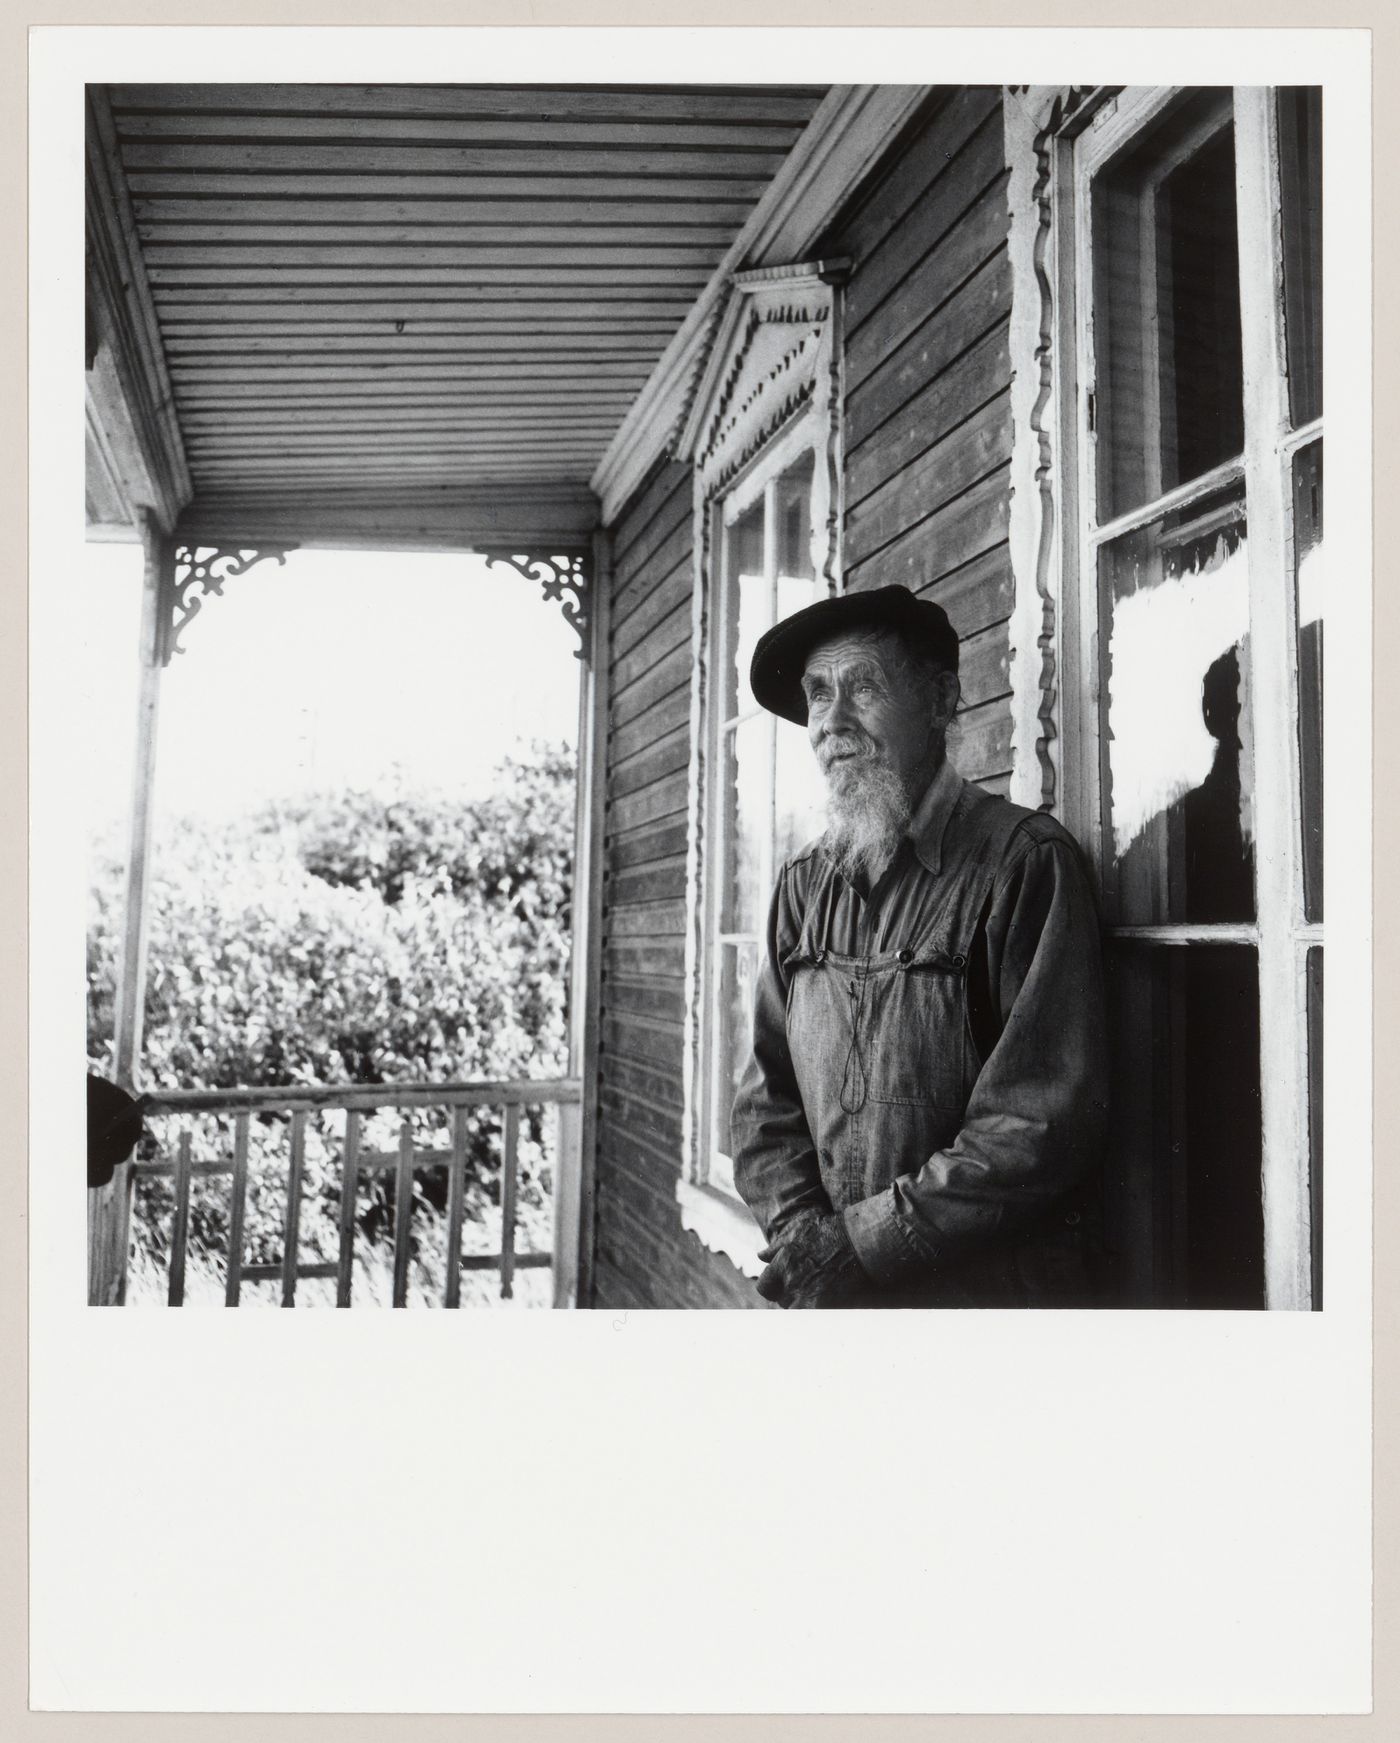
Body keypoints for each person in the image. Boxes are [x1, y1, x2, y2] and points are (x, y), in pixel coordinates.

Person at [731, 584, 1109, 1308]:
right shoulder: (803, 884)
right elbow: (763, 1100)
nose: (831, 721)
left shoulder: (1023, 864)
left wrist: (857, 1246)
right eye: (817, 694)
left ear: (939, 701)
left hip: (977, 1312)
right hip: (835, 1305)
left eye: (863, 687)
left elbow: (1035, 1126)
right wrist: (802, 1235)